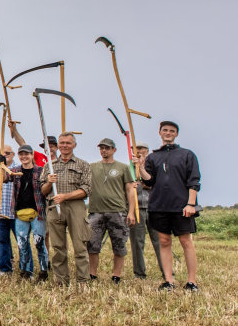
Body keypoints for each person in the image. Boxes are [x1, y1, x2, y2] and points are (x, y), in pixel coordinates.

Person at [136, 121, 201, 292]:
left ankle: (192, 281)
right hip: (159, 206)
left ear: (176, 134)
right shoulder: (153, 157)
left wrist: (191, 204)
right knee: (164, 242)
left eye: (172, 131)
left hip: (181, 206)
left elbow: (194, 181)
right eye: (165, 130)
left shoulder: (187, 155)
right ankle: (169, 281)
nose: (168, 133)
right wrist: (140, 167)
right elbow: (149, 181)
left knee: (186, 241)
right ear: (160, 132)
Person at [40, 132, 92, 285]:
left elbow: (86, 189)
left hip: (75, 207)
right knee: (58, 247)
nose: (64, 146)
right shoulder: (49, 165)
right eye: (62, 143)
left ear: (74, 145)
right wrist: (49, 182)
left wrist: (65, 196)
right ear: (57, 146)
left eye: (68, 143)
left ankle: (83, 281)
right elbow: (43, 191)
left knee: (80, 246)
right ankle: (61, 281)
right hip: (54, 206)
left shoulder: (83, 164)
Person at [86, 138, 137, 284]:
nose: (104, 151)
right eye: (101, 148)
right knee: (92, 245)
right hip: (96, 211)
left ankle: (116, 275)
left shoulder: (123, 167)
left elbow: (130, 190)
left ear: (114, 150)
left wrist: (131, 212)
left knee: (119, 244)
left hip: (117, 211)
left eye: (107, 148)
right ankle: (92, 274)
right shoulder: (91, 167)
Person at [10, 145, 48, 281]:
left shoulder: (41, 171)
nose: (24, 157)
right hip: (20, 213)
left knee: (39, 243)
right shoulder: (14, 171)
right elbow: (3, 179)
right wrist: (2, 163)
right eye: (21, 154)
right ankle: (26, 271)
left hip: (38, 213)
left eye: (26, 154)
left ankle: (44, 271)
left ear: (32, 155)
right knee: (22, 244)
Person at [129, 143, 164, 279]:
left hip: (155, 206)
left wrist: (146, 184)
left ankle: (167, 272)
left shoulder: (155, 165)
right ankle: (139, 273)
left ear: (147, 151)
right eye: (135, 150)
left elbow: (158, 183)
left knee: (160, 240)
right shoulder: (128, 168)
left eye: (142, 150)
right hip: (136, 207)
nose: (138, 152)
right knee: (137, 241)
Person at [0, 145, 18, 276]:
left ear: (13, 154)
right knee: (2, 241)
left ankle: (25, 268)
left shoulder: (18, 168)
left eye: (7, 153)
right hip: (0, 211)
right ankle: (5, 269)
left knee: (21, 241)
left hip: (16, 212)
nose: (4, 156)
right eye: (2, 154)